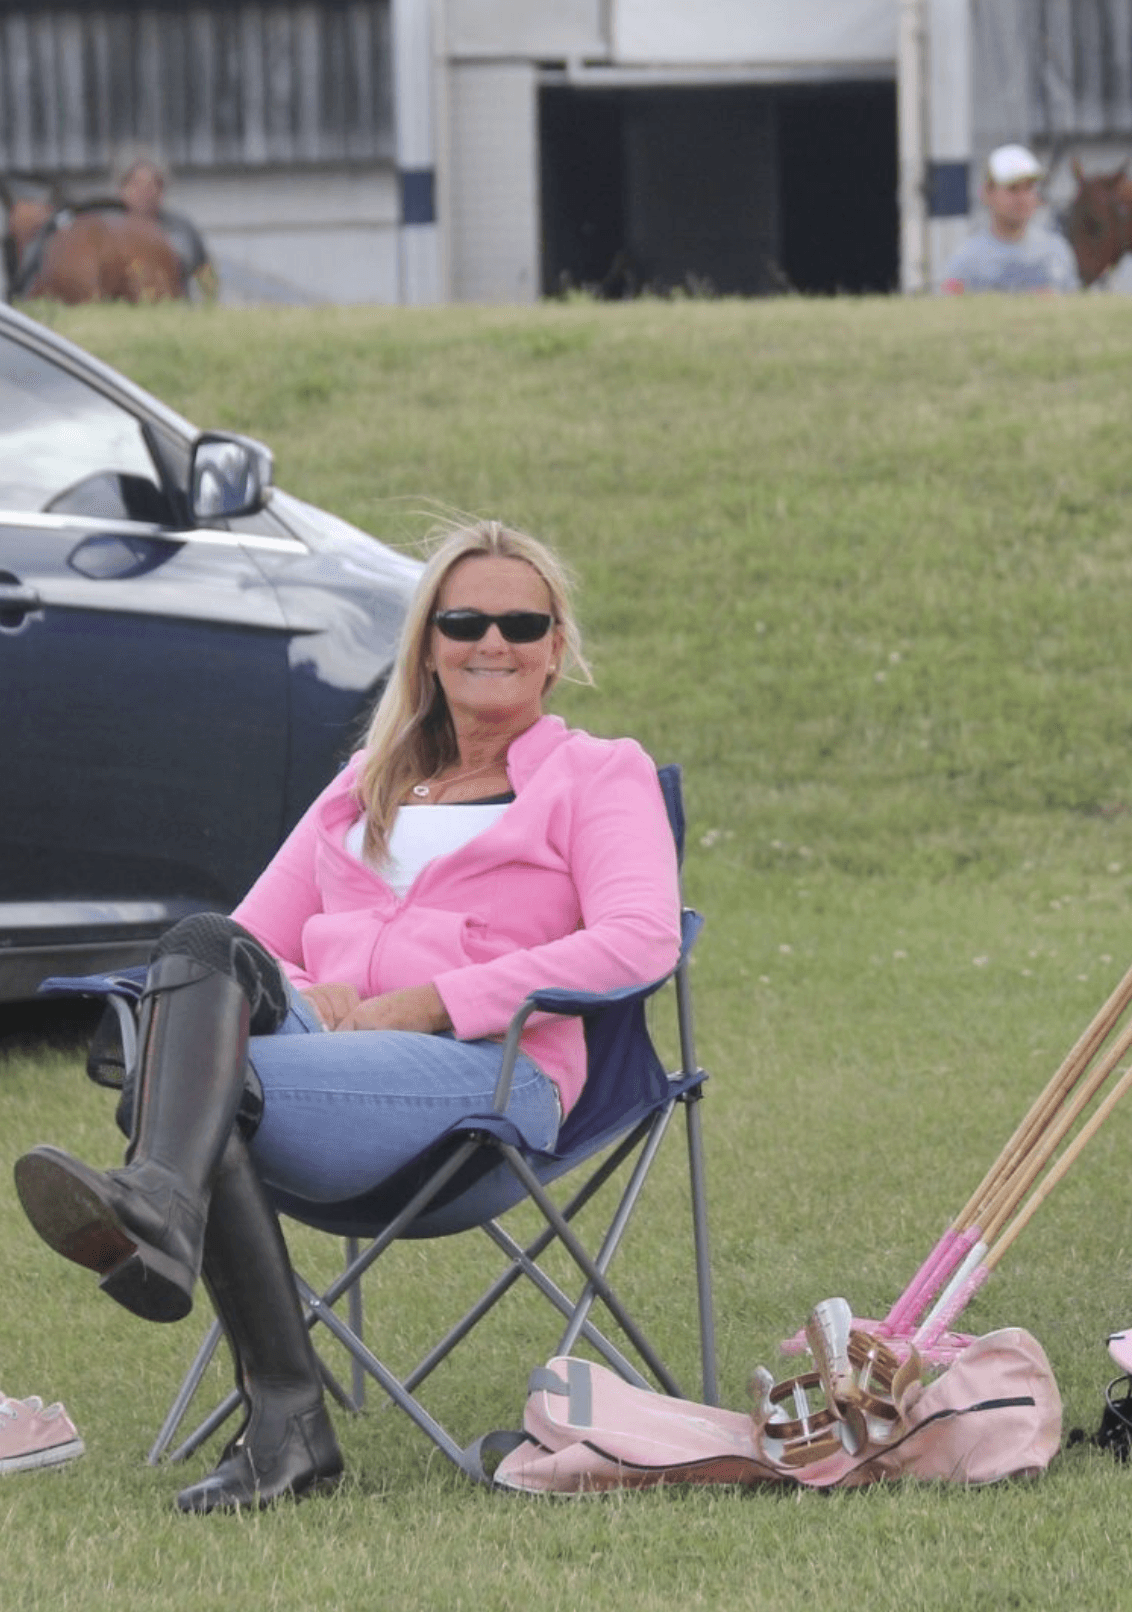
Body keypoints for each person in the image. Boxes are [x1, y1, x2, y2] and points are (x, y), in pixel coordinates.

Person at [13, 521, 682, 1512]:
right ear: (427, 641)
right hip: (326, 1058)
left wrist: (430, 999)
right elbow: (248, 936)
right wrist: (299, 983)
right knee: (201, 950)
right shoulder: (362, 784)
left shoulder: (598, 773)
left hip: (485, 1080)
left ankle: (236, 1337)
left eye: (519, 620)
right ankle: (174, 1226)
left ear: (555, 644)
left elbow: (641, 938)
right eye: (463, 618)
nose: (490, 639)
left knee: (194, 1080)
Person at [939, 144, 1080, 295]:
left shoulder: (1057, 251)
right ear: (987, 193)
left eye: (1029, 188)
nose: (1022, 198)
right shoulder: (967, 261)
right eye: (1013, 189)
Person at [116, 155, 217, 300]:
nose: (144, 193)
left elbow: (205, 272)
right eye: (136, 185)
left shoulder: (181, 228)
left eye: (151, 186)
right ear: (122, 190)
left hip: (175, 310)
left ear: (161, 191)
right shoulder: (111, 229)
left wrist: (209, 306)